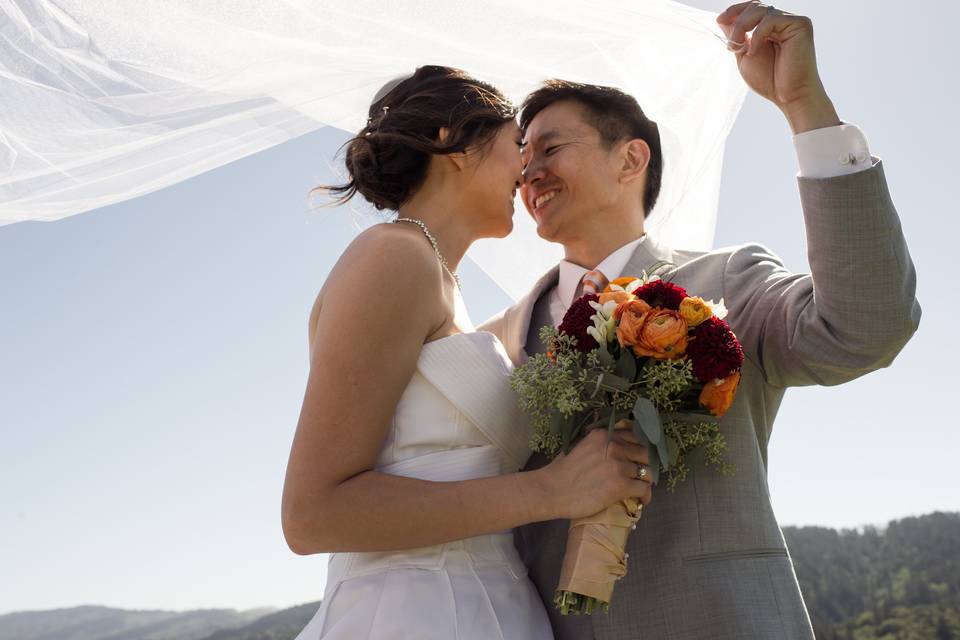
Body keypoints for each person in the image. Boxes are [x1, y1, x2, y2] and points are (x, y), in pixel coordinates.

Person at [479, 3, 921, 638]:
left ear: (630, 159)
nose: (530, 172)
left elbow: (868, 326)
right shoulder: (499, 338)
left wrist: (803, 105)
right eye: (523, 159)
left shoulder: (728, 282)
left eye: (550, 147)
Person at [282, 65, 654, 639]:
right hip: (412, 613)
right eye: (517, 147)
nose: (527, 171)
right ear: (453, 146)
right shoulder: (393, 257)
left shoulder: (440, 280)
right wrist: (550, 490)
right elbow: (311, 515)